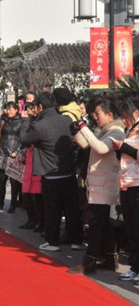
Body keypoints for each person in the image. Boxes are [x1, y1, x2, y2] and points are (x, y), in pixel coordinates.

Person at [20, 92, 85, 252]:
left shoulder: (39, 125)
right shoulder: (66, 120)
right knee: (72, 208)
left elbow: (24, 139)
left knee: (52, 210)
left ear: (40, 107)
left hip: (50, 173)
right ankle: (76, 240)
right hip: (68, 170)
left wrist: (24, 120)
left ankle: (53, 241)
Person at [68, 97, 125, 274]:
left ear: (109, 114)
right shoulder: (105, 131)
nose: (95, 117)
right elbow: (89, 145)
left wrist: (84, 127)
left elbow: (100, 148)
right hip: (100, 184)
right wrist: (77, 132)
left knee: (96, 225)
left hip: (105, 185)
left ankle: (89, 262)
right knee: (103, 225)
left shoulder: (116, 132)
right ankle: (109, 258)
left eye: (98, 113)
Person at [112, 98, 139, 284]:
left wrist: (125, 147)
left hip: (137, 184)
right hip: (126, 184)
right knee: (131, 230)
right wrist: (119, 149)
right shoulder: (129, 130)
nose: (124, 121)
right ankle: (134, 267)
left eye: (126, 117)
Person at [0, 101, 23, 213]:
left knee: (14, 182)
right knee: (0, 181)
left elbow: (22, 138)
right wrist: (1, 119)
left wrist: (17, 151)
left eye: (10, 109)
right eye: (7, 109)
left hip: (13, 153)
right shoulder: (3, 121)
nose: (8, 111)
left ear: (16, 110)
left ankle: (13, 204)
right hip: (1, 152)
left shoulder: (21, 122)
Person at [19, 102, 44, 231]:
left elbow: (27, 138)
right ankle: (31, 219)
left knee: (37, 195)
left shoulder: (39, 123)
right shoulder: (30, 122)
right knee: (26, 193)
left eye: (32, 108)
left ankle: (39, 221)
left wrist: (25, 122)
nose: (30, 111)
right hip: (29, 158)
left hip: (37, 160)